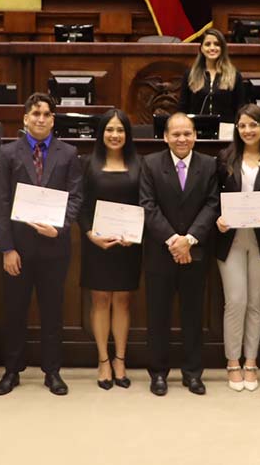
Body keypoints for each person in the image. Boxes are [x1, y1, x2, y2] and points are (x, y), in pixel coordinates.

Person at [0, 93, 84, 396]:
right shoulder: (8, 153)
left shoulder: (69, 153)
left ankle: (52, 371)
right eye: (35, 113)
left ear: (53, 119)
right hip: (17, 248)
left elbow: (75, 197)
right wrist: (7, 248)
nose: (40, 119)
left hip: (54, 247)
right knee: (15, 312)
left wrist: (59, 228)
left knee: (52, 312)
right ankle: (11, 370)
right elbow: (0, 202)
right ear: (25, 118)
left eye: (46, 114)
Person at [141, 112, 219, 396]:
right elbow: (147, 206)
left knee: (193, 316)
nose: (182, 139)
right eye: (176, 134)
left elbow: (213, 205)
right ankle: (158, 373)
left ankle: (193, 373)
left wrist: (190, 240)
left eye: (187, 133)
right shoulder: (149, 164)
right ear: (165, 137)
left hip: (195, 252)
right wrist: (175, 241)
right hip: (160, 253)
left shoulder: (210, 164)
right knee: (158, 316)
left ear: (195, 135)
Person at [214, 104, 260, 391]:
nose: (247, 130)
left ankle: (251, 361)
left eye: (253, 125)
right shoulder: (224, 158)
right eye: (242, 125)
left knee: (255, 302)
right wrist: (217, 218)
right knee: (236, 301)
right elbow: (213, 196)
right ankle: (232, 361)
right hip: (230, 237)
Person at [79, 109, 142, 390]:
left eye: (120, 130)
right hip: (97, 244)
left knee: (123, 301)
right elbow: (80, 205)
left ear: (127, 135)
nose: (115, 135)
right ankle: (103, 360)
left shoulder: (140, 165)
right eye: (109, 130)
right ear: (101, 134)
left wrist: (134, 234)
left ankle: (120, 359)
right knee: (101, 300)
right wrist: (91, 234)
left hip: (129, 244)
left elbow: (146, 204)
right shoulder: (87, 164)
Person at [179, 28, 247, 121]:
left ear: (222, 48)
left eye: (217, 44)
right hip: (196, 129)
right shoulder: (190, 75)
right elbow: (183, 107)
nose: (212, 48)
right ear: (201, 49)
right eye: (207, 44)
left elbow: (240, 108)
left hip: (225, 130)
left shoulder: (234, 75)